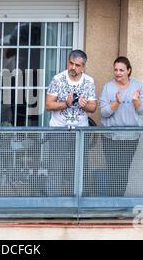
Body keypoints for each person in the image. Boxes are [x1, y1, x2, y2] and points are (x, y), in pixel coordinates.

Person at [44, 50, 97, 196]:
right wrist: (65, 104)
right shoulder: (58, 79)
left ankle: (78, 202)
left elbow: (93, 107)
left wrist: (84, 105)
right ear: (68, 62)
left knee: (80, 167)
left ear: (83, 67)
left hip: (80, 131)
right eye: (71, 63)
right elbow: (48, 105)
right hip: (59, 130)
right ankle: (54, 203)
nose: (73, 67)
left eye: (77, 65)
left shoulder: (89, 81)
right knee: (56, 168)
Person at [99, 56, 143, 196]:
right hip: (110, 137)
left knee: (123, 170)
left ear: (128, 71)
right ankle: (112, 202)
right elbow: (104, 113)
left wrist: (136, 100)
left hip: (130, 137)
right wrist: (116, 103)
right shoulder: (108, 87)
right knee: (113, 170)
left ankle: (117, 202)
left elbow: (142, 110)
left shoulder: (137, 86)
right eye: (115, 70)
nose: (118, 73)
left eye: (121, 70)